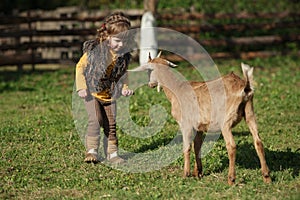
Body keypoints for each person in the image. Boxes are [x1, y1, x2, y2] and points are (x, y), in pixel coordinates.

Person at [75, 12, 134, 164]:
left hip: (109, 95)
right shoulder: (96, 52)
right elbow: (80, 67)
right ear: (107, 36)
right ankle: (92, 151)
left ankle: (112, 153)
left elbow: (123, 74)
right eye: (117, 40)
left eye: (124, 42)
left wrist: (124, 88)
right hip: (92, 94)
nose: (121, 45)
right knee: (96, 120)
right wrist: (81, 87)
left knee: (111, 124)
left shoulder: (122, 57)